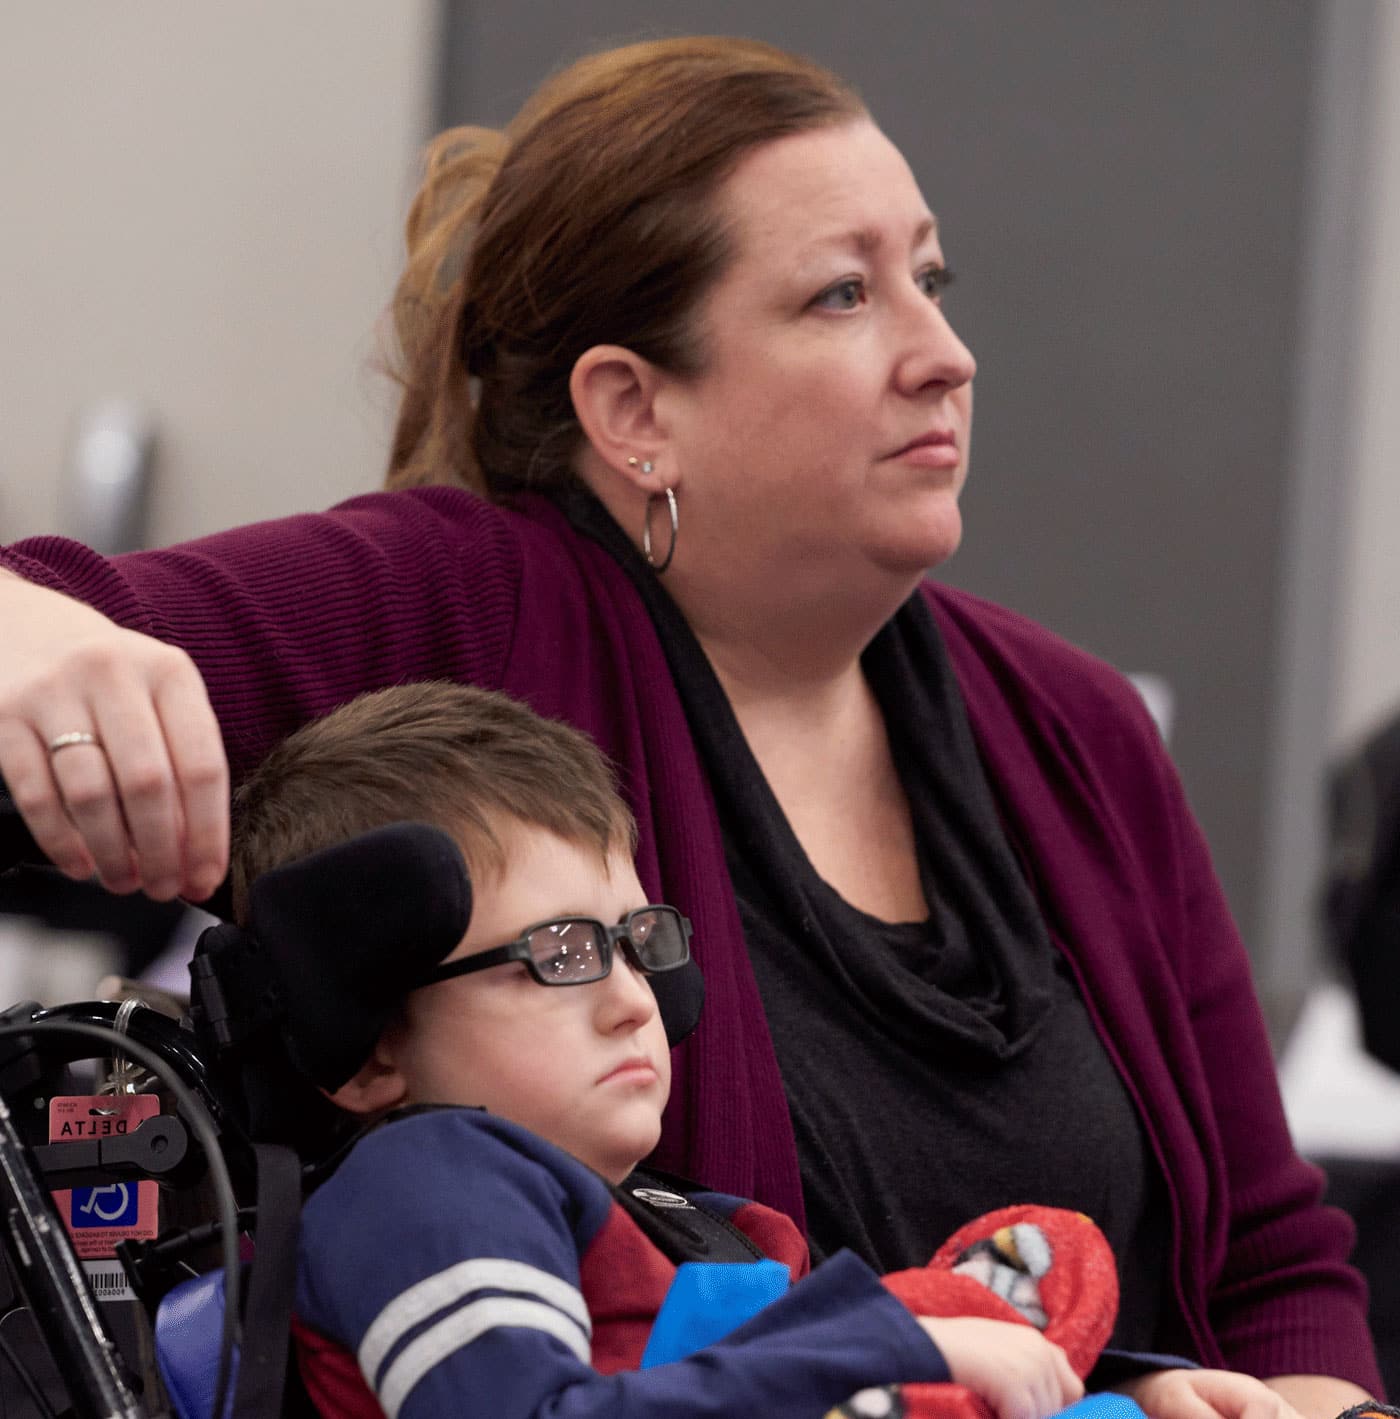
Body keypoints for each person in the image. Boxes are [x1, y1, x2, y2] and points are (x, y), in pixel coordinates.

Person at [0, 34, 1380, 1417]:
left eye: (932, 280)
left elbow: (1269, 1254)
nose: (946, 355)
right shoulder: (463, 602)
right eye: (845, 295)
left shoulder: (1077, 728)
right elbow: (51, 619)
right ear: (633, 409)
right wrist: (27, 622)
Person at [215, 679, 1086, 1419]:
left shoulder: (681, 1216)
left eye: (636, 942)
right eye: (558, 954)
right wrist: (880, 1349)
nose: (633, 1002)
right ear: (373, 1054)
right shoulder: (421, 1177)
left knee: (1047, 1256)